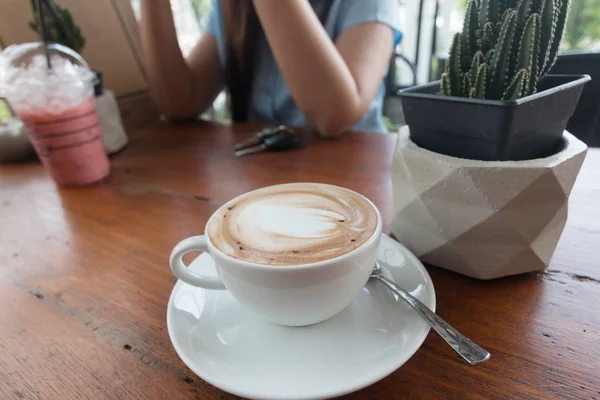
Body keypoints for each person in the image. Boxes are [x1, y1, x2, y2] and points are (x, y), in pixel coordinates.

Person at [140, 0, 401, 136]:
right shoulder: (233, 7)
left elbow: (332, 116)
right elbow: (180, 101)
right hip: (261, 176)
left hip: (353, 180)